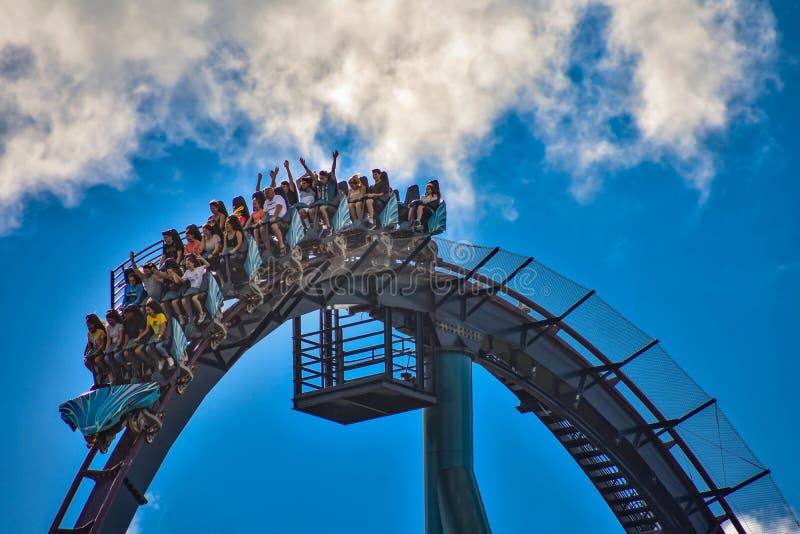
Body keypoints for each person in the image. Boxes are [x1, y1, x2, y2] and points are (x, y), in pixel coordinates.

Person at [300, 150, 339, 233]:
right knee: (311, 210)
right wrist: (304, 166)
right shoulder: (320, 184)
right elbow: (311, 175)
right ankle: (316, 229)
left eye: (322, 178)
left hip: (331, 205)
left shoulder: (331, 182)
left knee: (321, 208)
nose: (320, 180)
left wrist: (335, 159)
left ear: (327, 177)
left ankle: (328, 227)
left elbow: (333, 170)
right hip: (322, 205)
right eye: (320, 178)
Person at [136, 299, 174, 375]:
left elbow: (163, 327)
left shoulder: (161, 315)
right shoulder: (149, 318)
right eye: (146, 310)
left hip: (164, 335)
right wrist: (139, 337)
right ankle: (160, 360)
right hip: (156, 335)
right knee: (148, 348)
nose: (147, 312)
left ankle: (168, 357)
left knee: (159, 346)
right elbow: (147, 329)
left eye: (149, 310)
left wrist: (159, 336)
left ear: (154, 309)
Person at [118, 305, 147, 380]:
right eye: (124, 314)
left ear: (132, 313)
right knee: (126, 353)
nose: (125, 315)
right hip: (132, 341)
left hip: (142, 338)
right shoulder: (125, 323)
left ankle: (148, 364)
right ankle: (136, 368)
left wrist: (137, 341)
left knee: (138, 351)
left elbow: (141, 331)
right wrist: (125, 344)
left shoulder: (138, 319)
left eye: (127, 313)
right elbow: (127, 335)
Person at [285, 159, 316, 227]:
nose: (302, 184)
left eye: (304, 183)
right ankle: (308, 227)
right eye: (302, 183)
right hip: (303, 208)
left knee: (310, 211)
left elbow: (314, 179)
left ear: (308, 184)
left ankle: (315, 227)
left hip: (311, 207)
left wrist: (305, 166)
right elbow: (297, 181)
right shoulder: (300, 190)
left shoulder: (312, 188)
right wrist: (305, 174)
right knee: (301, 211)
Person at [181, 254, 210, 323]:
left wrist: (202, 259)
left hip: (201, 291)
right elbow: (182, 280)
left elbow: (208, 265)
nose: (187, 266)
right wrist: (177, 274)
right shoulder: (187, 272)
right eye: (186, 264)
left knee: (194, 298)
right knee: (183, 300)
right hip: (192, 291)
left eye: (189, 264)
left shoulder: (199, 269)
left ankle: (202, 314)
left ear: (193, 263)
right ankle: (190, 316)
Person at [221, 215, 248, 283]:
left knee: (233, 260)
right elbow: (225, 246)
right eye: (226, 224)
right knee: (222, 262)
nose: (226, 226)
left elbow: (239, 245)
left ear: (233, 225)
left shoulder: (237, 232)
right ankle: (231, 280)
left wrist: (234, 250)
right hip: (230, 253)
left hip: (240, 252)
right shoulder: (225, 235)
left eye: (228, 224)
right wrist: (223, 254)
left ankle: (242, 278)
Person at [84, 314, 108, 387]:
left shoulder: (101, 331)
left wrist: (97, 351)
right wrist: (88, 353)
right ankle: (96, 382)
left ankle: (107, 373)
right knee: (88, 361)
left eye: (90, 325)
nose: (89, 328)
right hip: (95, 352)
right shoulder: (89, 334)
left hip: (102, 350)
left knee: (97, 360)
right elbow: (89, 345)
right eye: (88, 326)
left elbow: (103, 344)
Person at [263, 187, 288, 254]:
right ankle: (268, 249)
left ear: (272, 192)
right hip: (271, 220)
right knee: (262, 228)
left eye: (267, 193)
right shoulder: (266, 202)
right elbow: (265, 213)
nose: (266, 195)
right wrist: (261, 220)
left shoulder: (278, 197)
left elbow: (279, 207)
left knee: (274, 225)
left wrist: (275, 216)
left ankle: (282, 245)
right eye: (265, 194)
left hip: (282, 219)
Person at [104, 309, 124, 384]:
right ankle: (116, 373)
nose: (109, 322)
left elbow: (121, 337)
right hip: (113, 345)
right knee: (107, 358)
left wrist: (117, 346)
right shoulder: (108, 328)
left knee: (117, 356)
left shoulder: (119, 326)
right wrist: (106, 349)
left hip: (120, 344)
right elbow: (109, 339)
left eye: (110, 320)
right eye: (108, 320)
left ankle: (124, 370)